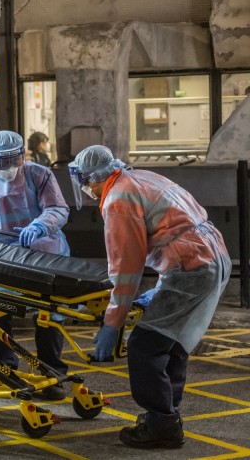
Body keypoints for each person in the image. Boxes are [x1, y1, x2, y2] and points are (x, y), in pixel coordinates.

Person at [69, 145, 231, 449]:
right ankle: (166, 415)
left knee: (145, 345)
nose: (84, 188)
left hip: (191, 268)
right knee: (172, 340)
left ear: (93, 178)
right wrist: (157, 291)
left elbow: (125, 268)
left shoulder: (118, 199)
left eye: (84, 181)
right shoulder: (140, 178)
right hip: (211, 258)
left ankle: (162, 425)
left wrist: (112, 324)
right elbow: (174, 230)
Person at [0, 130, 71, 400]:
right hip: (2, 257)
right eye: (1, 163)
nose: (8, 169)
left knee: (47, 315)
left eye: (13, 161)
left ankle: (51, 374)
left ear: (22, 156)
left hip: (43, 253)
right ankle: (6, 369)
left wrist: (39, 226)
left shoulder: (40, 175)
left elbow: (58, 209)